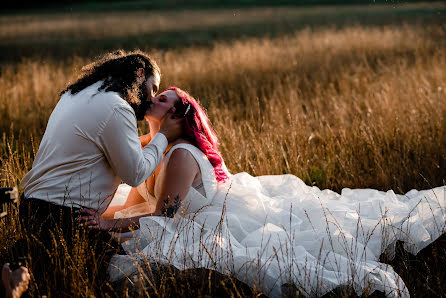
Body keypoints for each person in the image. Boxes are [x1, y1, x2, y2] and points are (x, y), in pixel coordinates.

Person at [80, 87, 445, 298]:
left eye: (161, 99)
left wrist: (108, 225)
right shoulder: (153, 142)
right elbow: (135, 184)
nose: (152, 100)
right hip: (193, 208)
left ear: (176, 116)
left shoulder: (179, 156)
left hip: (208, 222)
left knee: (287, 255)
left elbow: (164, 216)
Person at [18, 50, 183, 295]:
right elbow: (136, 174)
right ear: (140, 74)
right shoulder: (117, 108)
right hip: (63, 219)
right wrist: (162, 138)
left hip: (30, 209)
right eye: (153, 87)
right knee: (120, 277)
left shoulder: (76, 96)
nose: (152, 97)